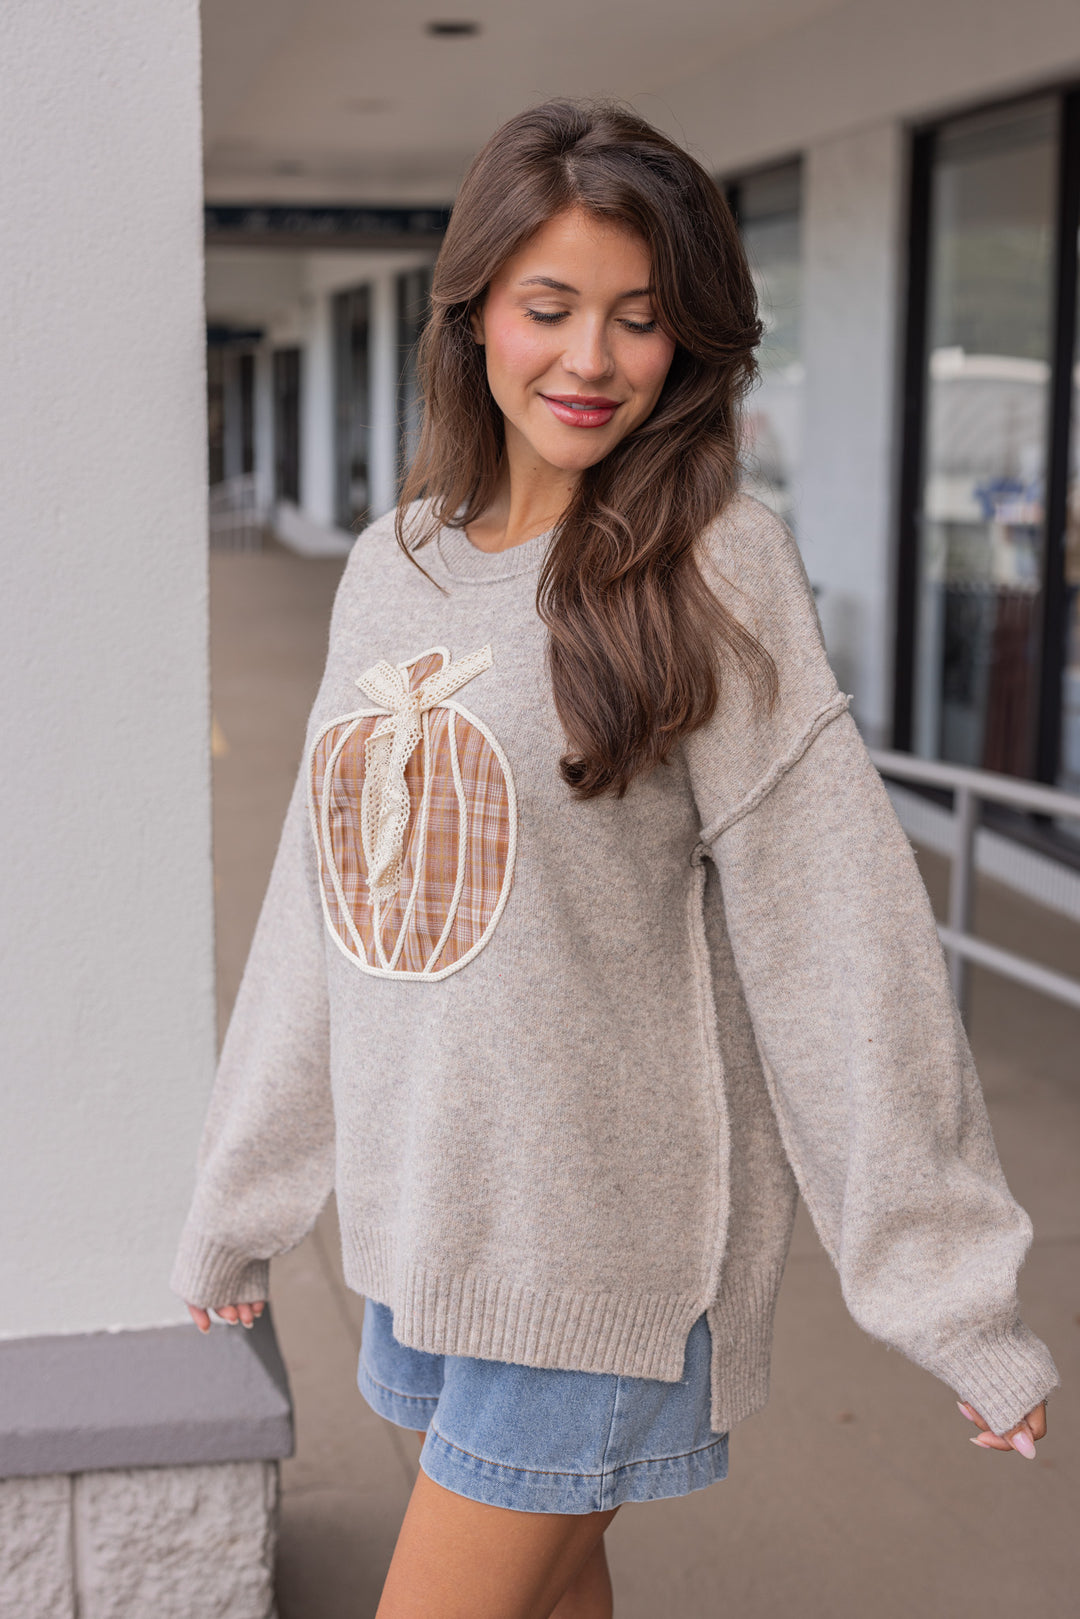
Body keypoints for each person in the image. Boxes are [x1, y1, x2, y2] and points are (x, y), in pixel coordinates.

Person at [172, 101, 1058, 1619]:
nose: (593, 360)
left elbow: (837, 932)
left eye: (640, 319)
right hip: (427, 1230)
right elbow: (324, 916)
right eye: (551, 307)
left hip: (600, 1258)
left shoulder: (712, 564)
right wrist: (238, 1198)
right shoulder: (395, 567)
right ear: (474, 314)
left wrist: (946, 1284)